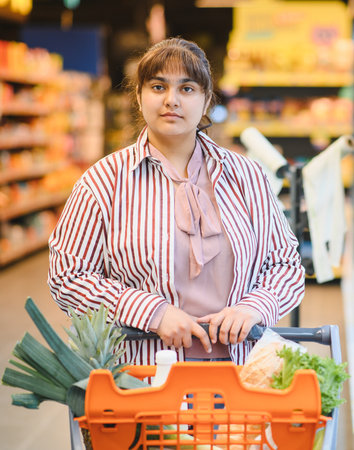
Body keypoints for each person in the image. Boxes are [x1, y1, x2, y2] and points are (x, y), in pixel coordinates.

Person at [48, 37, 305, 366]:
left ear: (206, 99)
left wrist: (254, 306)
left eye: (187, 88)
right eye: (158, 87)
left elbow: (286, 266)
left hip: (244, 375)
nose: (172, 100)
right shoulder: (103, 182)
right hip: (144, 377)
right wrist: (151, 312)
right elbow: (68, 277)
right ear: (139, 97)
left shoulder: (247, 176)